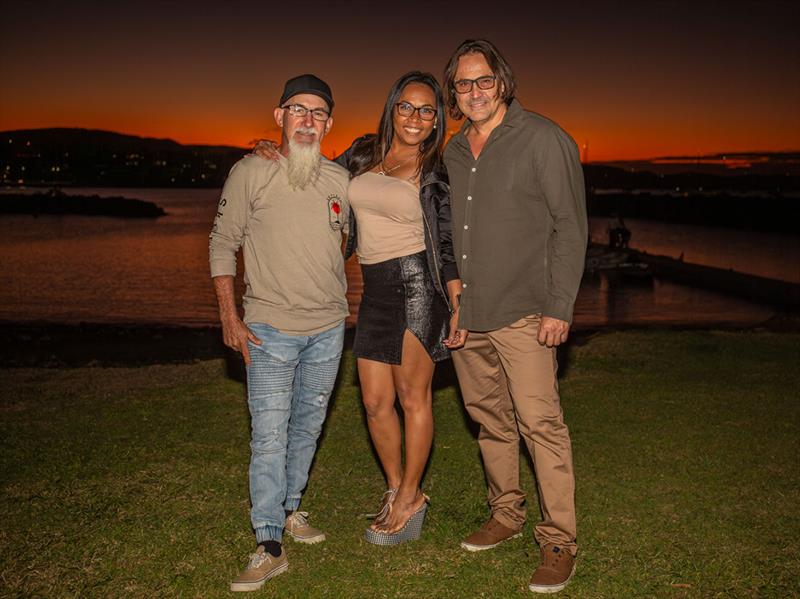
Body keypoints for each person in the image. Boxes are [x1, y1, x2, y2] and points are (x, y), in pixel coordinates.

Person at [255, 71, 464, 545]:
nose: (415, 117)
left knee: (413, 398)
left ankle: (412, 496)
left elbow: (448, 242)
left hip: (417, 288)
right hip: (373, 289)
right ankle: (395, 488)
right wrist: (275, 152)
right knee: (373, 401)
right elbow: (316, 177)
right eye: (406, 107)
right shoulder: (364, 152)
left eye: (427, 110)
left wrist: (457, 303)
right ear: (392, 108)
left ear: (436, 121)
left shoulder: (436, 167)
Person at [442, 40, 588, 594]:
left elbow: (570, 227)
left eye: (483, 81)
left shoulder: (545, 139)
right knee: (490, 421)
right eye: (463, 84)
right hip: (469, 311)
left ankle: (558, 542)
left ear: (502, 82)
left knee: (541, 425)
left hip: (527, 311)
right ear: (453, 92)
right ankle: (506, 513)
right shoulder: (453, 151)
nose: (474, 92)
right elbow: (449, 230)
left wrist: (559, 305)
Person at [209, 74, 350, 592]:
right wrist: (229, 316)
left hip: (329, 329)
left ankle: (291, 509)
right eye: (298, 110)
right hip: (268, 329)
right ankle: (269, 543)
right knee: (268, 434)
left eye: (318, 113)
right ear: (279, 116)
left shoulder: (340, 180)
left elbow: (344, 242)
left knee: (307, 428)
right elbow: (223, 242)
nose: (308, 121)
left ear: (329, 123)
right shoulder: (251, 171)